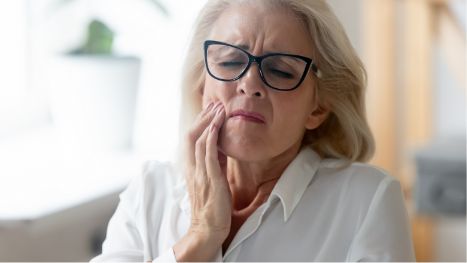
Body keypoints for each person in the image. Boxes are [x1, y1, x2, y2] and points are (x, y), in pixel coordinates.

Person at [91, 0, 415, 261]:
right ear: (201, 83)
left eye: (280, 70)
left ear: (317, 108)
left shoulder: (366, 200)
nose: (249, 84)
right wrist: (200, 237)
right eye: (231, 61)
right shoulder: (151, 189)